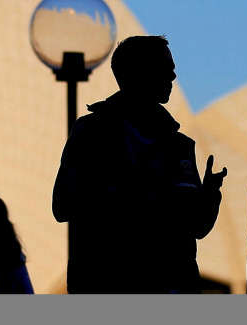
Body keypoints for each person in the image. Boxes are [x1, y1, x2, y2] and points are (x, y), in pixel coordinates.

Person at [52, 35, 227, 293]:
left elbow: (197, 227)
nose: (173, 78)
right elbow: (63, 204)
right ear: (138, 73)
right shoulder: (93, 132)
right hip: (109, 281)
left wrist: (210, 194)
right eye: (165, 70)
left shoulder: (180, 144)